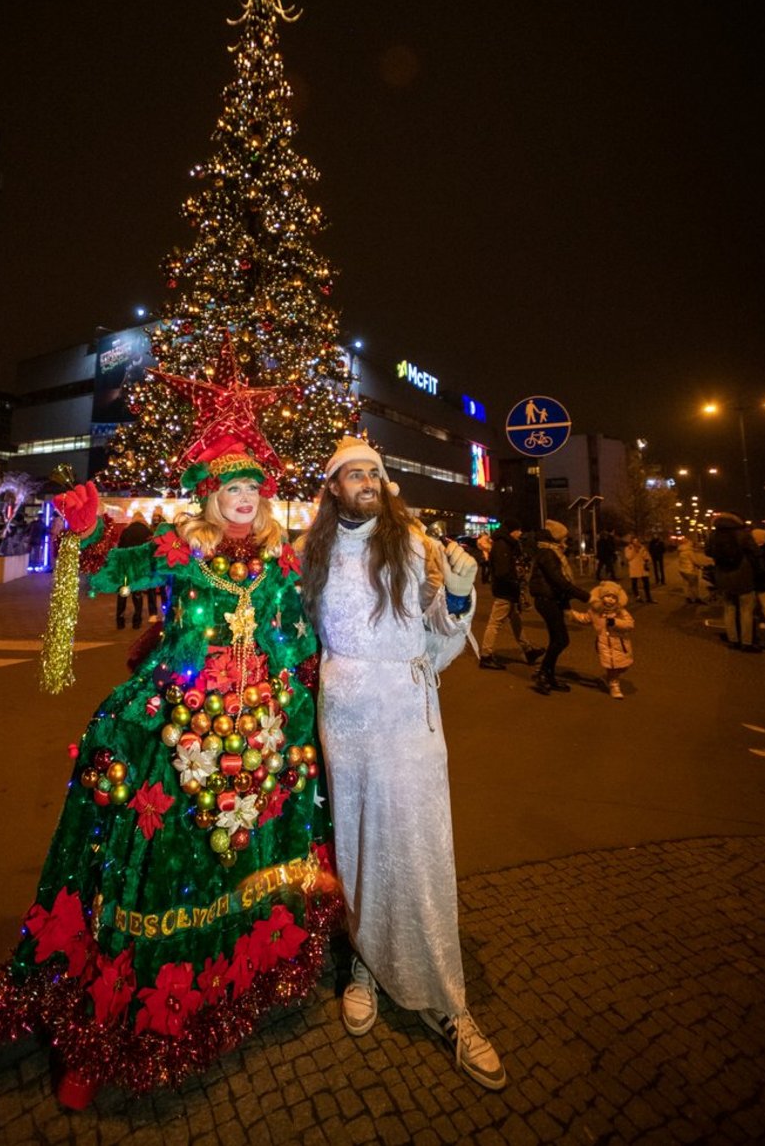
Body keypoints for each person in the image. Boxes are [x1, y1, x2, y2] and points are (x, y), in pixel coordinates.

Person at [0, 354, 335, 1109]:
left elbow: (293, 635)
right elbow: (118, 571)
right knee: (149, 868)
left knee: (237, 861)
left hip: (260, 733)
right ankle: (106, 1029)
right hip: (173, 730)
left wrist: (309, 703)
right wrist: (88, 532)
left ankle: (232, 986)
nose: (243, 499)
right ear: (209, 495)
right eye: (229, 488)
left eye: (252, 488)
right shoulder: (182, 548)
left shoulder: (277, 556)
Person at [299, 436, 506, 1092]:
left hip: (408, 716)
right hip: (344, 722)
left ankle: (449, 1002)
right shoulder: (315, 553)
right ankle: (366, 961)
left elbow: (441, 635)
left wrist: (464, 599)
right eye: (351, 473)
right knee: (358, 847)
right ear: (332, 486)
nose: (365, 480)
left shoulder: (416, 546)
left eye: (374, 472)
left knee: (419, 852)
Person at [527, 521, 591, 694]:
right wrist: (586, 596)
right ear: (556, 538)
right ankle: (543, 673)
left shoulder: (552, 552)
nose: (566, 542)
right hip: (546, 600)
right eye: (563, 538)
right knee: (561, 639)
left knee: (558, 639)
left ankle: (548, 675)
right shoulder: (548, 553)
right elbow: (559, 581)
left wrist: (567, 603)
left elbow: (559, 583)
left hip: (551, 599)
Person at [478, 518, 544, 670]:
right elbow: (502, 572)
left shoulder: (504, 544)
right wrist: (515, 581)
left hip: (507, 589)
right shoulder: (502, 546)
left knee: (516, 621)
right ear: (511, 531)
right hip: (505, 590)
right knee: (494, 623)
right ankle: (486, 655)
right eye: (518, 530)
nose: (520, 533)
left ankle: (528, 650)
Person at [705, 513, 762, 652]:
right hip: (743, 574)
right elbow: (755, 552)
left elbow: (708, 552)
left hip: (723, 575)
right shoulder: (742, 533)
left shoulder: (713, 535)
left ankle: (733, 640)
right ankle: (747, 642)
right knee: (746, 609)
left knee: (729, 608)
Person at [570, 582, 635, 699]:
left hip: (621, 643)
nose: (610, 600)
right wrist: (571, 614)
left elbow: (630, 624)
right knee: (612, 666)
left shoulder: (621, 612)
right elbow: (584, 618)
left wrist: (615, 622)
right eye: (608, 596)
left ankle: (610, 678)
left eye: (613, 597)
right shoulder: (595, 612)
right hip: (604, 643)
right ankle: (614, 686)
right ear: (601, 597)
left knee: (624, 666)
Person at [113, 511, 159, 628]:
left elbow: (120, 548)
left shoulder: (126, 530)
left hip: (126, 566)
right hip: (139, 567)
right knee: (137, 592)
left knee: (123, 592)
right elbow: (151, 550)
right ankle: (136, 621)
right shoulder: (147, 531)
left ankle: (120, 620)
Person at [624, 536, 654, 604]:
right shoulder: (629, 548)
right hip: (634, 567)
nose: (636, 543)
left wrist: (647, 559)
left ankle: (648, 597)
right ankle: (637, 597)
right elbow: (628, 557)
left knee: (646, 582)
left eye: (637, 541)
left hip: (642, 566)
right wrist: (634, 550)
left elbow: (647, 556)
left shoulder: (642, 547)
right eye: (634, 541)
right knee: (634, 582)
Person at [676, 536, 704, 604]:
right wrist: (700, 566)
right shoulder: (689, 552)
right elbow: (695, 562)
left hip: (682, 570)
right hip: (690, 570)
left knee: (686, 584)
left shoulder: (681, 551)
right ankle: (696, 598)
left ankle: (688, 598)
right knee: (694, 585)